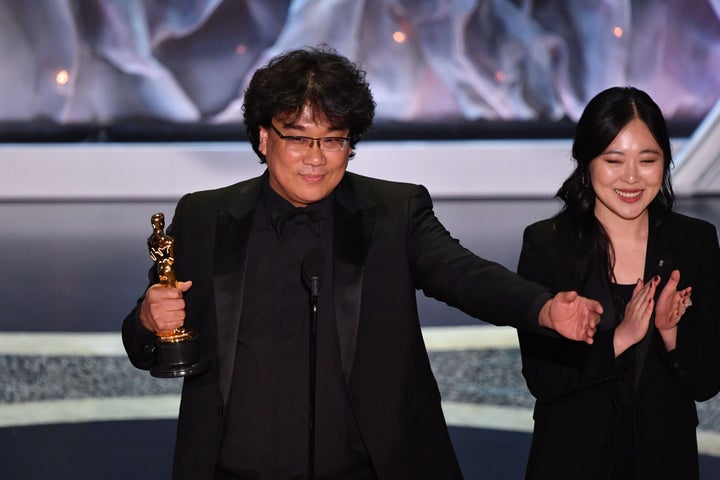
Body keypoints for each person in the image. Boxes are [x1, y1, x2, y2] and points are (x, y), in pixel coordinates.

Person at [122, 45, 602, 480]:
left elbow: (466, 275)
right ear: (264, 138)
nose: (317, 158)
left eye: (333, 140)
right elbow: (148, 333)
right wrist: (147, 319)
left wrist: (540, 308)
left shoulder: (395, 213)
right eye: (298, 138)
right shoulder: (204, 217)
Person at [516, 86, 720, 479]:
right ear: (586, 162)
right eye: (613, 159)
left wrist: (669, 333)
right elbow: (542, 378)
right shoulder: (547, 243)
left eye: (647, 160)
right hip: (572, 462)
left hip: (664, 461)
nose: (631, 177)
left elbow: (707, 380)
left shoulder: (694, 242)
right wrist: (620, 338)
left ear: (665, 162)